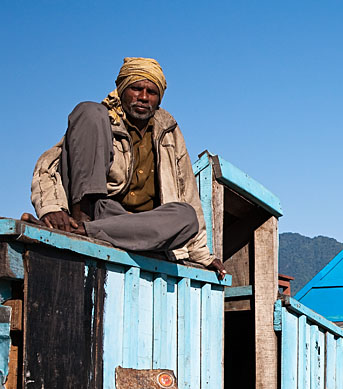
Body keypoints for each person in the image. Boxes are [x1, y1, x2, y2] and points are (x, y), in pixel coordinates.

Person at [27, 57, 226, 278]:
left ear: (159, 99)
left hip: (143, 227)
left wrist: (203, 256)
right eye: (136, 88)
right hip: (100, 211)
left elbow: (188, 192)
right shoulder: (101, 119)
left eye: (151, 92)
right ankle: (82, 223)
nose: (143, 97)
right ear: (122, 90)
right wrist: (52, 208)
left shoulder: (168, 130)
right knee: (88, 110)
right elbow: (49, 164)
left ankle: (85, 232)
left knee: (186, 215)